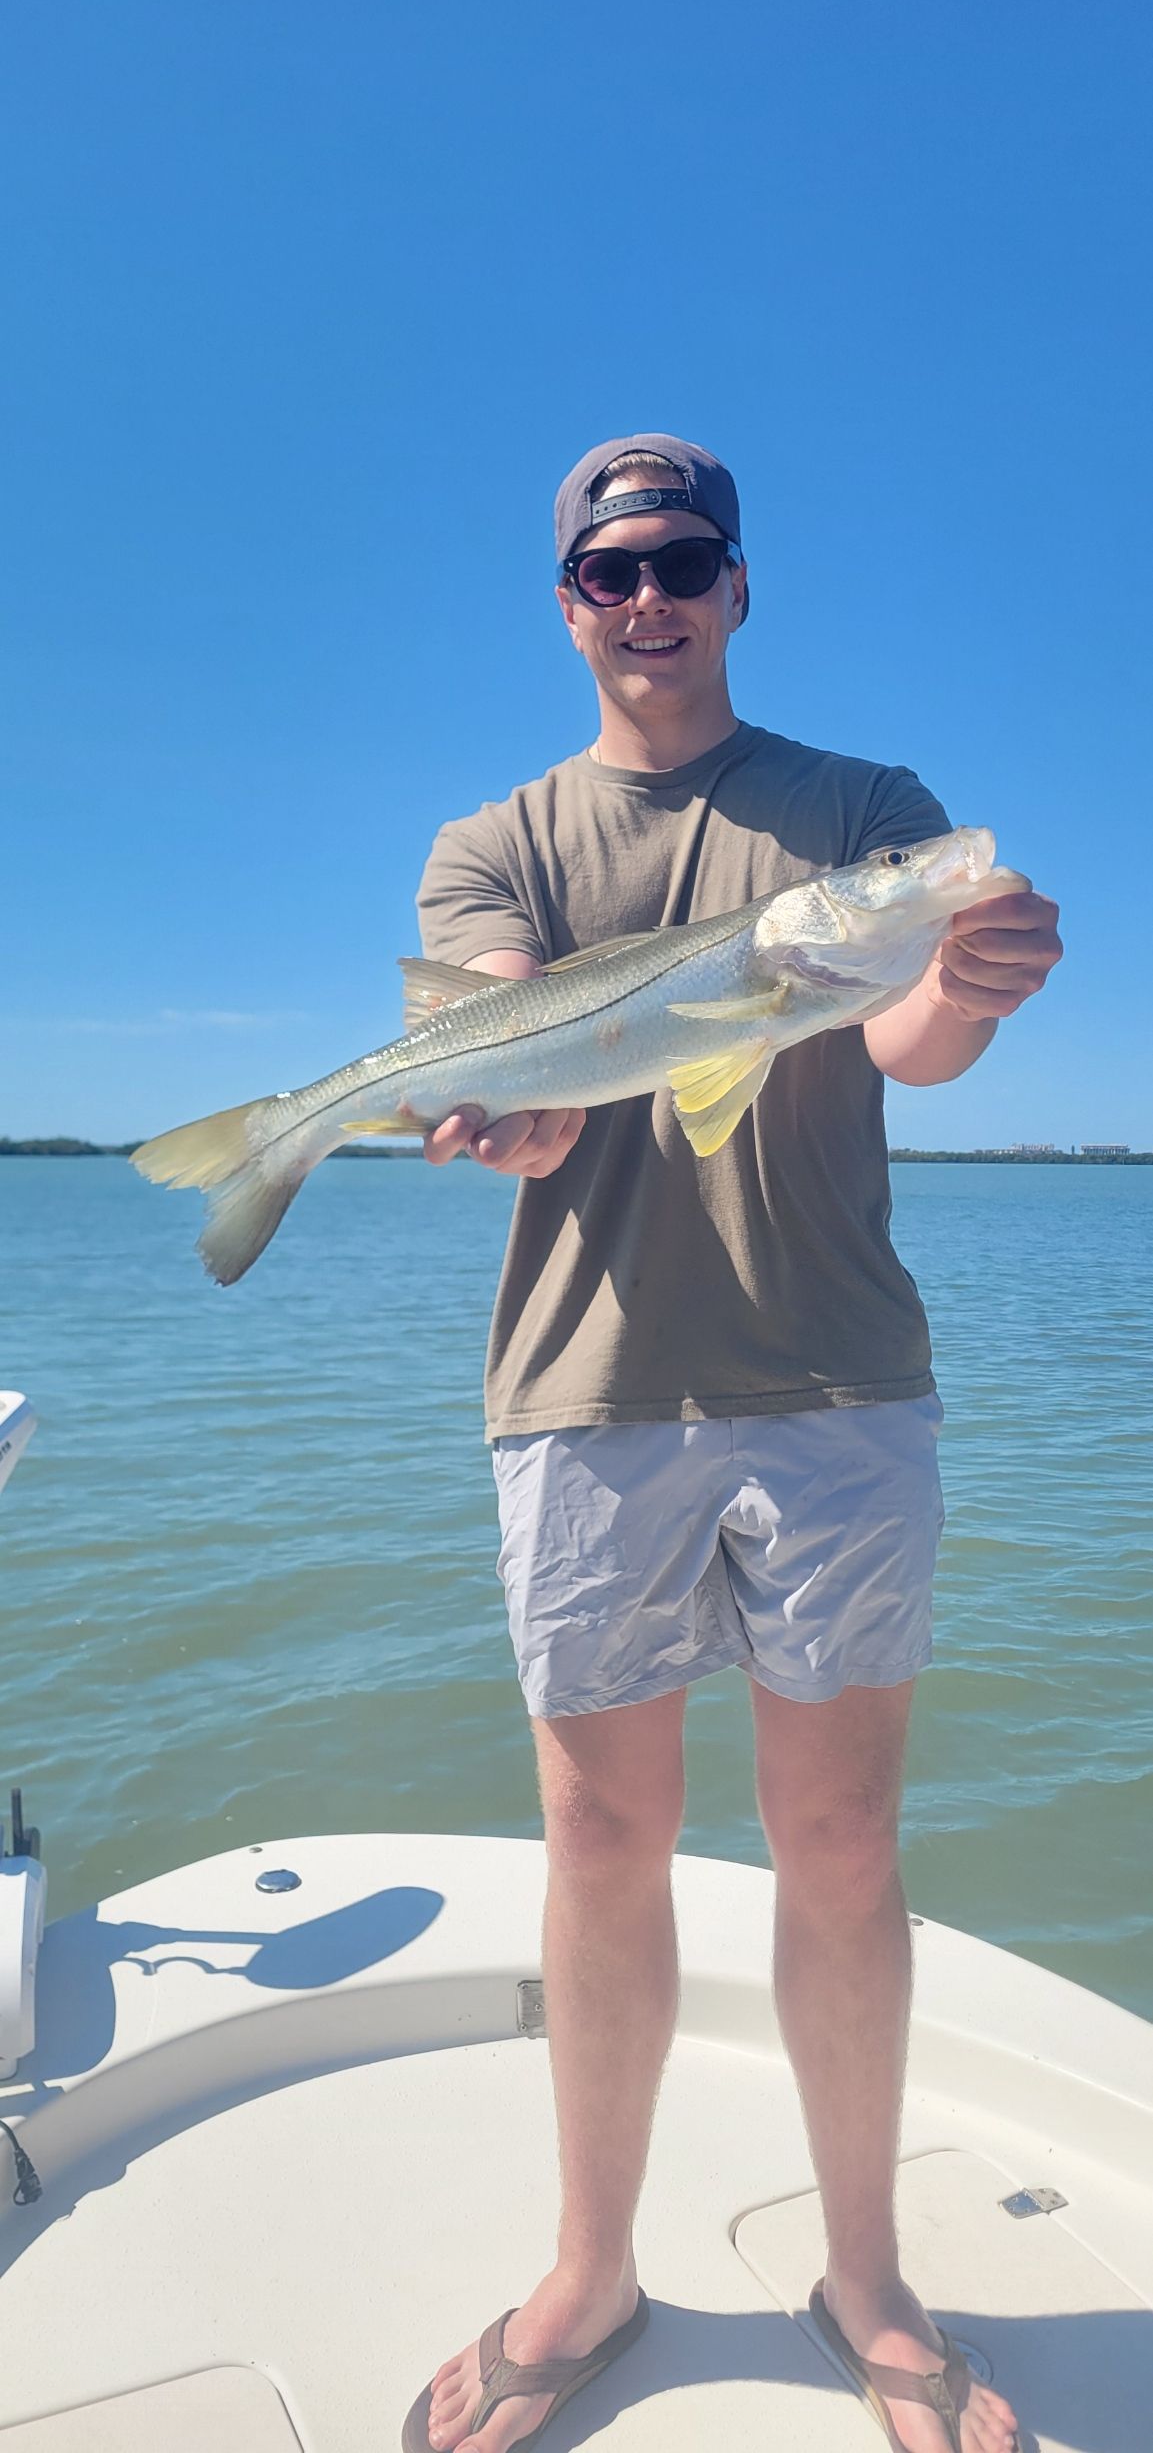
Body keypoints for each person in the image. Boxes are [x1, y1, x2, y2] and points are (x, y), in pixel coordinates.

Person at [401, 435, 1062, 2453]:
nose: (647, 593)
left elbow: (896, 1036)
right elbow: (527, 1042)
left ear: (739, 584)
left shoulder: (864, 814)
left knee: (840, 1840)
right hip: (587, 1385)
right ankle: (594, 2263)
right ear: (569, 602)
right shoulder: (493, 838)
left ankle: (865, 2276)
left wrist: (968, 979)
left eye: (683, 557)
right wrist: (508, 1110)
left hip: (839, 1380)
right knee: (599, 1835)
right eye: (609, 568)